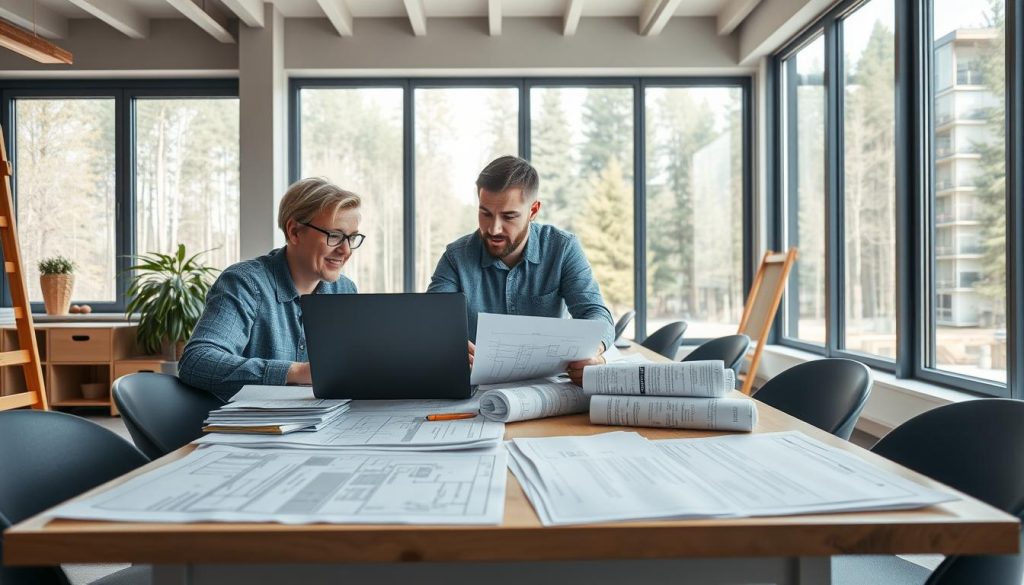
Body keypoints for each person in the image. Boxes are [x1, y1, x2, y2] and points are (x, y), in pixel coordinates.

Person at [427, 155, 614, 386]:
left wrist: (594, 352)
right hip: (476, 391)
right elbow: (431, 322)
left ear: (533, 210)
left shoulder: (563, 248)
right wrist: (444, 345)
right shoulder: (456, 257)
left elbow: (597, 314)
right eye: (485, 213)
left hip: (546, 390)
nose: (493, 228)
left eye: (508, 216)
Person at [179, 177, 365, 401]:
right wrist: (297, 373)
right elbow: (197, 361)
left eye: (352, 238)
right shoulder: (244, 283)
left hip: (323, 424)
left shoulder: (344, 289)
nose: (346, 250)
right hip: (251, 429)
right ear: (294, 232)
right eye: (334, 236)